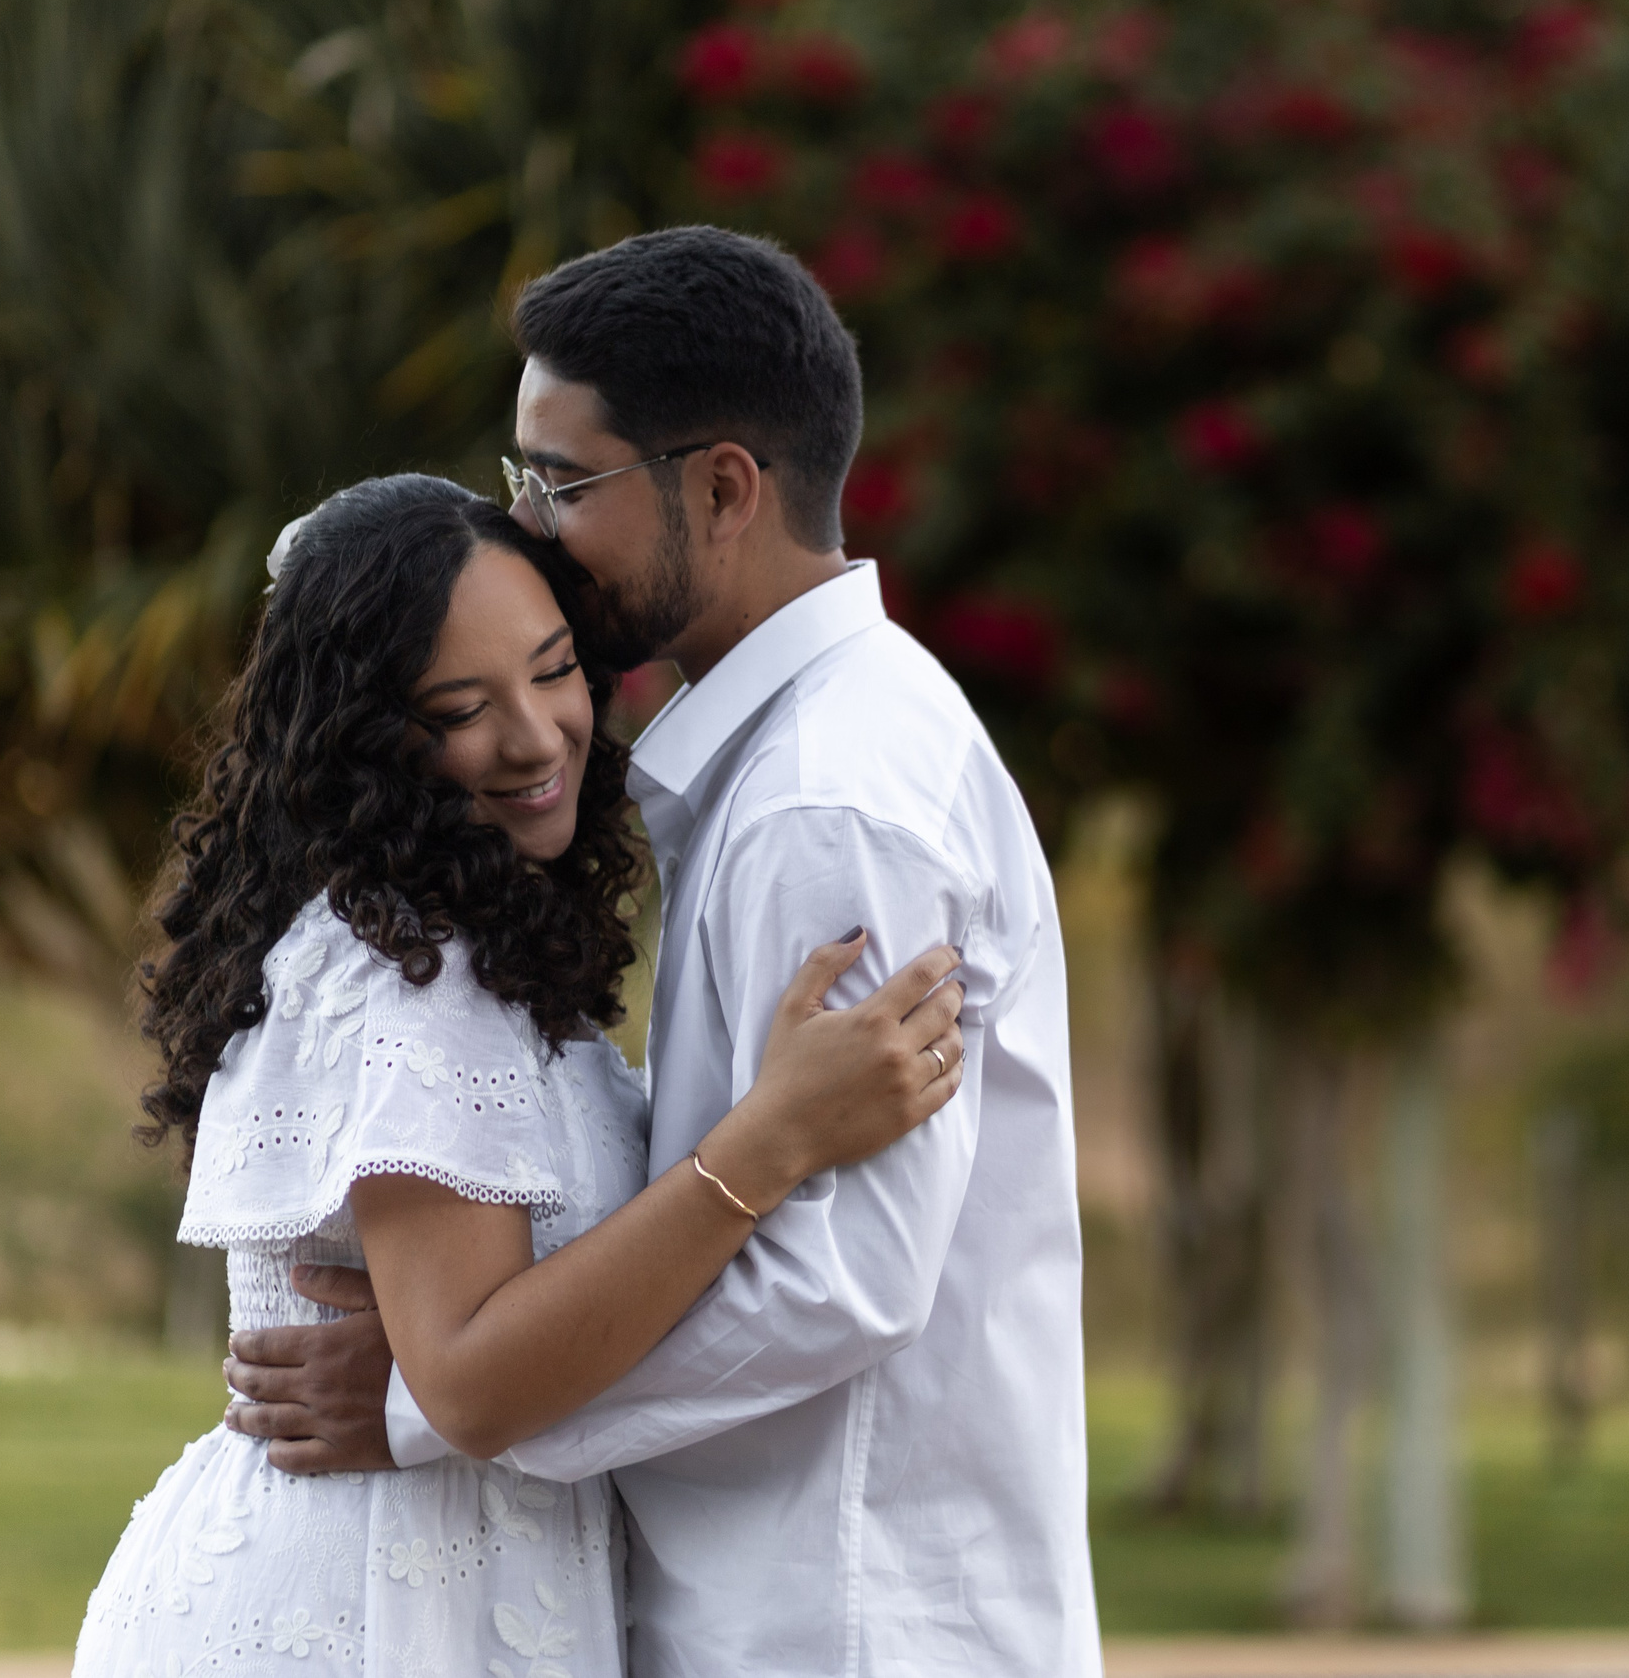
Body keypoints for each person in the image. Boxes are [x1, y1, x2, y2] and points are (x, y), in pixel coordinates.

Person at [224, 228, 1104, 1676]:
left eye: (564, 483)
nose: (531, 527)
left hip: (844, 1616)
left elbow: (844, 1276)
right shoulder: (790, 760)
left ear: (722, 486)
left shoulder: (827, 797)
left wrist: (436, 1399)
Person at [73, 474, 966, 1674]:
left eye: (552, 671)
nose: (537, 734)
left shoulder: (469, 943)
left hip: (457, 1579)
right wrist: (774, 1137)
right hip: (371, 1613)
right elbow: (477, 1388)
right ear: (371, 739)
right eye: (461, 707)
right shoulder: (407, 974)